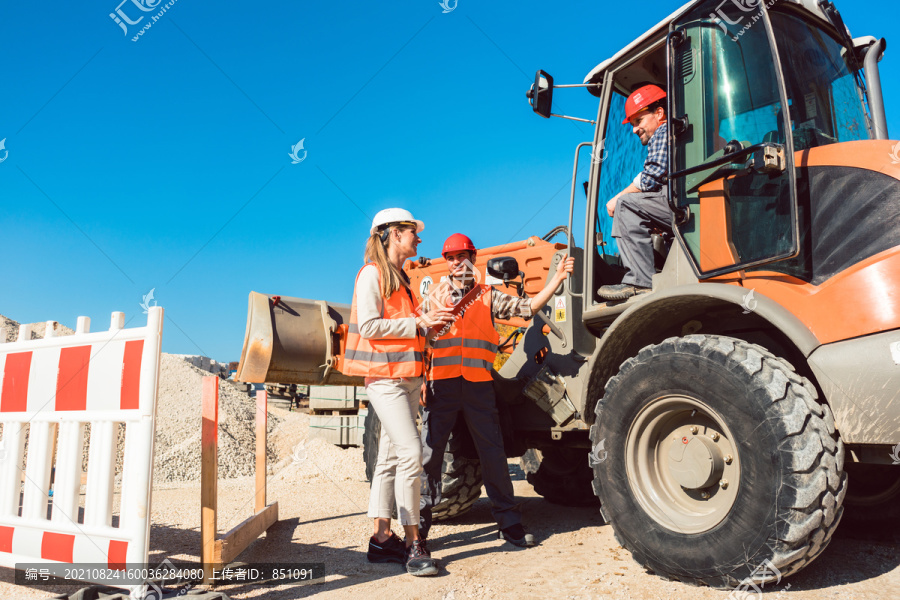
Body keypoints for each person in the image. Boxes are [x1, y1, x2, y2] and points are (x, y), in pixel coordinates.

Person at [418, 233, 575, 547]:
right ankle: (419, 532)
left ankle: (509, 524)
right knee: (430, 457)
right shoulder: (433, 297)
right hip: (442, 386)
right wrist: (421, 379)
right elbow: (421, 339)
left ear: (473, 259)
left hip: (478, 386)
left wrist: (556, 279)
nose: (457, 262)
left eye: (462, 256)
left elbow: (527, 308)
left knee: (493, 455)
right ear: (446, 262)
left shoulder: (488, 295)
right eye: (450, 257)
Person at [344, 207, 455, 577]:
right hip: (385, 380)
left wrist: (429, 325)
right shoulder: (371, 275)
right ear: (392, 234)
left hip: (407, 380)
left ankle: (381, 540)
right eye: (412, 232)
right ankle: (413, 542)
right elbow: (373, 326)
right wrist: (419, 322)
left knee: (390, 460)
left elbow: (406, 330)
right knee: (412, 453)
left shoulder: (401, 279)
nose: (418, 238)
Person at [599, 84, 671, 301]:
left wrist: (617, 198)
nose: (633, 129)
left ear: (659, 113)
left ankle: (640, 280)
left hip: (682, 204)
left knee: (626, 205)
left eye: (638, 121)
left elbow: (652, 175)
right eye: (631, 124)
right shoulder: (680, 133)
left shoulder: (664, 130)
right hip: (683, 204)